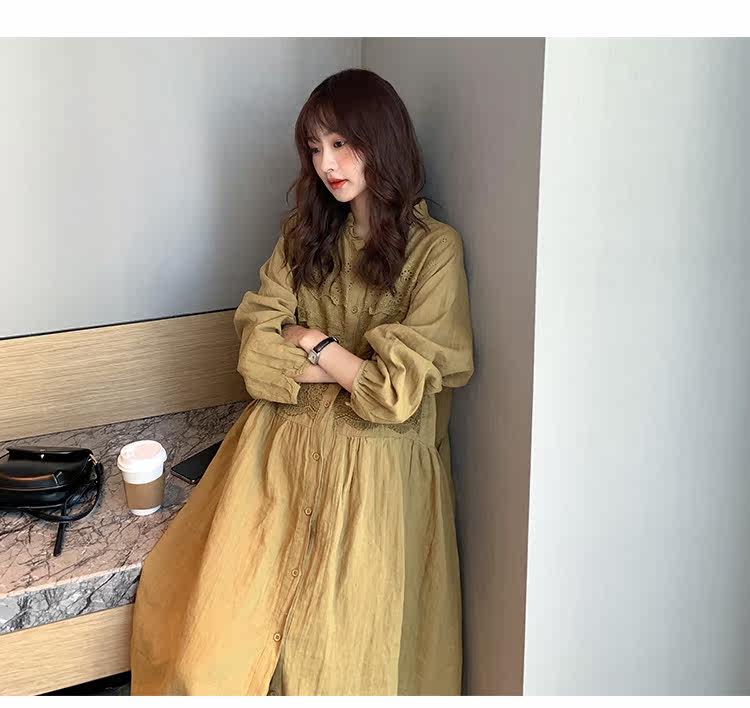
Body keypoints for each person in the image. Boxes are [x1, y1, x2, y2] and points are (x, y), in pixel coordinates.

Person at [129, 68, 474, 696]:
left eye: (342, 143)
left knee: (330, 669)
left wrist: (311, 339)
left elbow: (393, 395)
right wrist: (347, 367)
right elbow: (257, 355)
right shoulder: (303, 235)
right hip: (277, 456)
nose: (326, 164)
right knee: (203, 659)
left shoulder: (434, 252)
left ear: (382, 140)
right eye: (315, 148)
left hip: (377, 480)